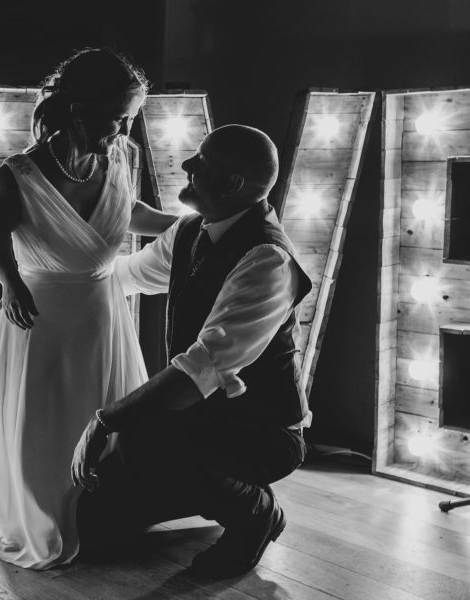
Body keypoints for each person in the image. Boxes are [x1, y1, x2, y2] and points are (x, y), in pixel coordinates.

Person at [0, 48, 177, 570]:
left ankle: (106, 510)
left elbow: (126, 213)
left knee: (106, 406)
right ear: (80, 110)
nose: (125, 129)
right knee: (48, 414)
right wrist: (9, 282)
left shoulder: (123, 159)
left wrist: (181, 227)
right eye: (119, 116)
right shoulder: (20, 174)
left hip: (102, 308)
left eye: (130, 118)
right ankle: (45, 512)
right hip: (43, 313)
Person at [70, 124, 313, 579]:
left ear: (232, 184)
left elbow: (194, 374)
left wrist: (105, 420)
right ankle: (196, 488)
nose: (186, 165)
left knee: (140, 436)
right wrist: (54, 279)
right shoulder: (189, 231)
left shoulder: (267, 260)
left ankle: (253, 512)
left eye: (200, 161)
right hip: (201, 421)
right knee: (90, 528)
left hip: (262, 432)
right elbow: (126, 275)